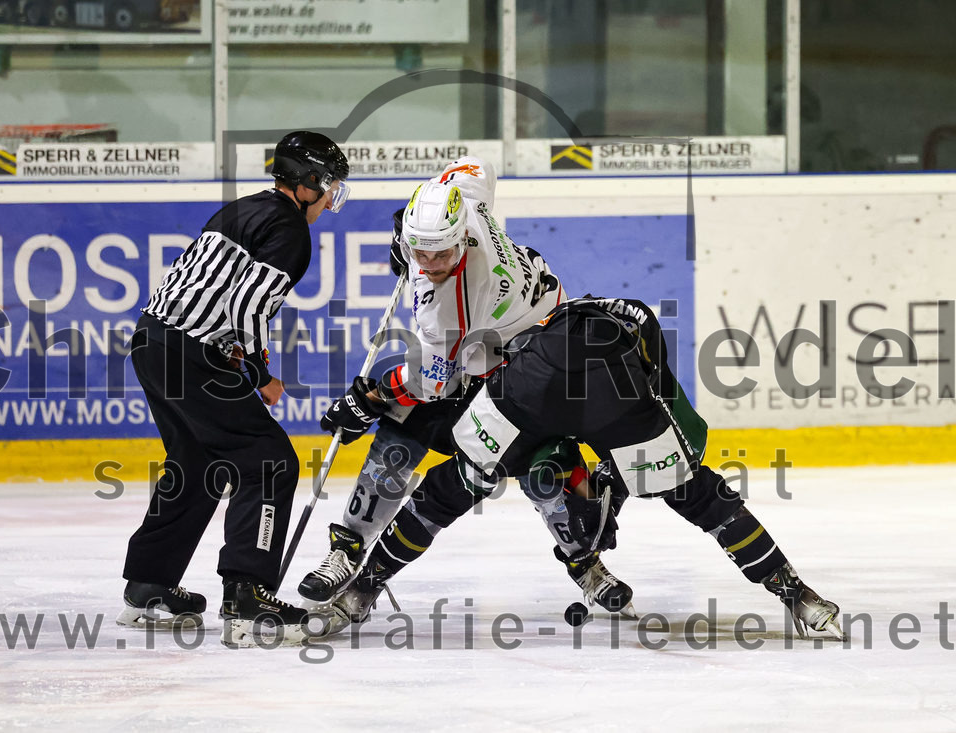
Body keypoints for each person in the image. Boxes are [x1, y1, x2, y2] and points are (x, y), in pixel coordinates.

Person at [323, 295, 848, 642]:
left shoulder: (528, 312)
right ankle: (795, 593)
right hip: (576, 388)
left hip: (543, 388)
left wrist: (612, 489)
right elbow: (682, 450)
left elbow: (447, 366)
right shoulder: (543, 321)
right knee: (691, 491)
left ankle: (364, 585)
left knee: (461, 482)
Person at [299, 158, 634, 616]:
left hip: (523, 367)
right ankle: (349, 548)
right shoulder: (465, 198)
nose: (431, 264)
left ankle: (585, 562)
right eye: (421, 252)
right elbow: (477, 167)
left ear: (462, 238)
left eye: (441, 253)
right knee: (400, 435)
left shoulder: (450, 307)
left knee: (544, 464)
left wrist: (369, 398)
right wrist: (412, 222)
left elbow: (432, 382)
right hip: (493, 350)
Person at [116, 130, 350, 647]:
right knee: (269, 460)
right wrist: (260, 373)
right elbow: (248, 304)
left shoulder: (245, 208)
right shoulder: (290, 229)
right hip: (193, 349)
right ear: (307, 181)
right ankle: (248, 597)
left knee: (197, 464)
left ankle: (149, 586)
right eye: (329, 184)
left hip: (153, 341)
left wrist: (235, 355)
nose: (332, 196)